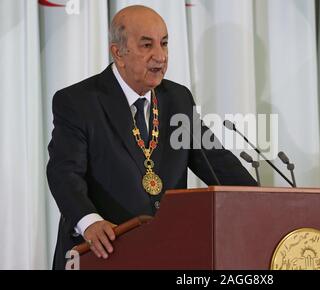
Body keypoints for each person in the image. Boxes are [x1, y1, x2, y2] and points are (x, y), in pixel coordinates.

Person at [47, 5, 257, 270]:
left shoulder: (177, 99)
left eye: (164, 44)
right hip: (99, 253)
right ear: (118, 53)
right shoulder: (79, 101)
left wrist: (261, 202)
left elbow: (217, 162)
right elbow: (64, 173)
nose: (160, 56)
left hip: (162, 253)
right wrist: (89, 221)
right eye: (147, 45)